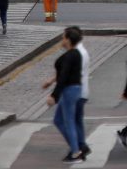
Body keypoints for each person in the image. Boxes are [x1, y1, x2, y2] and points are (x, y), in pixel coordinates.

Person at [43, 27, 84, 163]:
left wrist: (54, 96)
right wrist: (51, 80)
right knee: (58, 120)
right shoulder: (75, 54)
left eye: (63, 37)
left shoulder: (70, 55)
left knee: (69, 122)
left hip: (69, 90)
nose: (62, 39)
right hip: (74, 89)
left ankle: (76, 152)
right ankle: (76, 147)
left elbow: (64, 76)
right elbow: (64, 73)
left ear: (68, 40)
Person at [73, 26, 91, 159]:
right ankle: (81, 144)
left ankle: (79, 147)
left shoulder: (78, 53)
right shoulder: (81, 51)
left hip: (77, 92)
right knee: (77, 120)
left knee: (71, 121)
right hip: (82, 91)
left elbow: (76, 74)